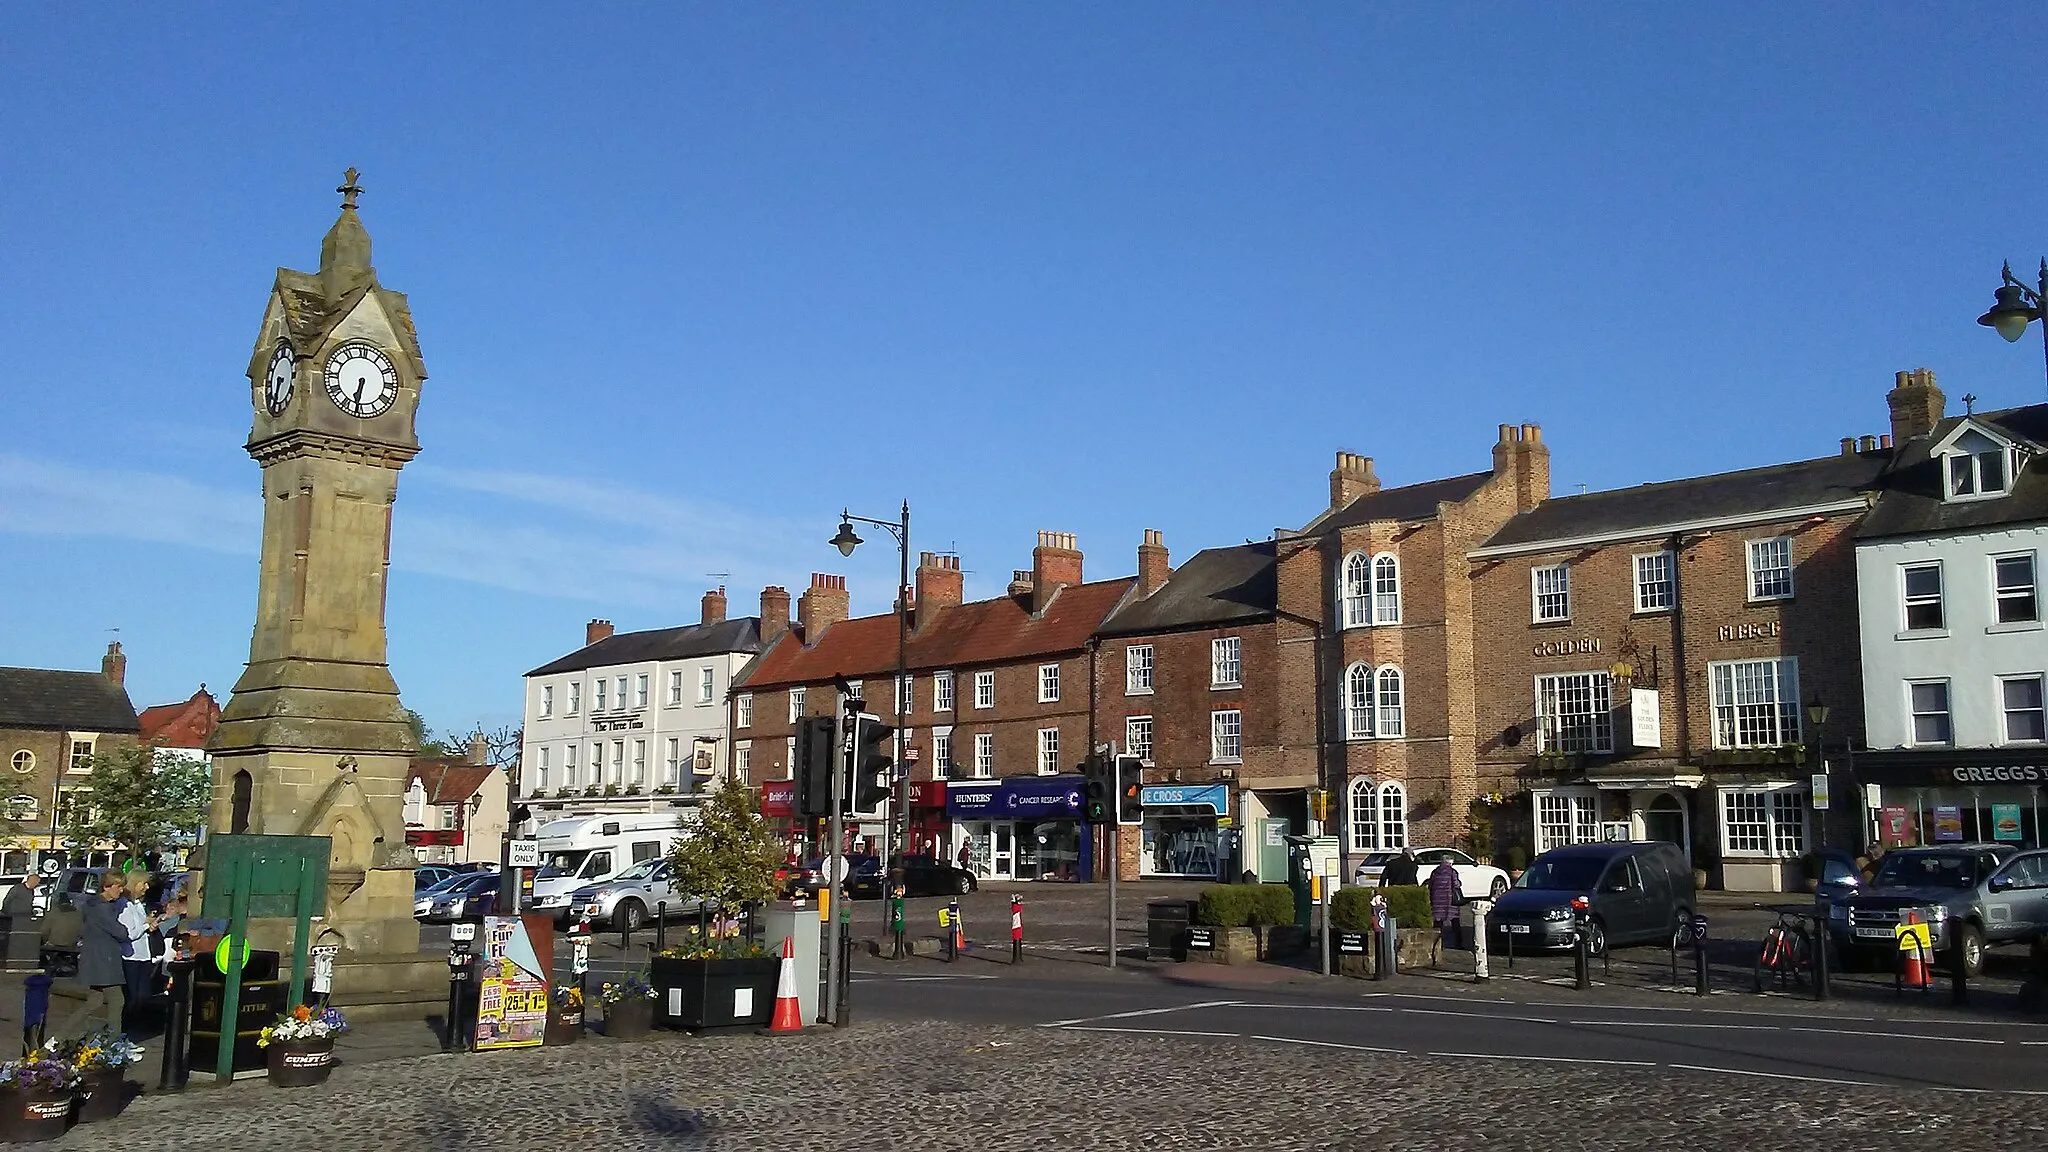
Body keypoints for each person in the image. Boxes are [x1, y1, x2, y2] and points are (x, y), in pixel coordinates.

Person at [52, 873, 129, 1039]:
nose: (121, 890)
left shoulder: (92, 905)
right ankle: (113, 1044)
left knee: (94, 1001)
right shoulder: (102, 908)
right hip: (104, 959)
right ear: (106, 886)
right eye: (118, 887)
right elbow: (121, 933)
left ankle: (60, 1036)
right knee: (117, 1000)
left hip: (94, 958)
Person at [117, 871, 157, 1029]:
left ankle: (130, 1032)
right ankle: (123, 1033)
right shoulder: (124, 905)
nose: (146, 887)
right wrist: (146, 925)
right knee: (132, 998)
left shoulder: (138, 904)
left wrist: (150, 924)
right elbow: (130, 933)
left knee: (144, 996)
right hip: (131, 957)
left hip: (143, 956)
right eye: (144, 884)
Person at [1428, 859, 1463, 955]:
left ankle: (1437, 944)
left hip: (1437, 900)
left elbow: (1430, 885)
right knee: (1455, 922)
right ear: (1449, 863)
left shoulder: (1435, 872)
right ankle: (1458, 943)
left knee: (1438, 923)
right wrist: (1460, 883)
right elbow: (1456, 884)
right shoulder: (1452, 872)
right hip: (1449, 901)